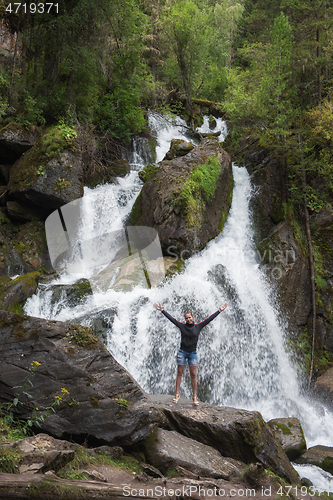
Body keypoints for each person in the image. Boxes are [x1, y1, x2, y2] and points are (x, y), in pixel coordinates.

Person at [153, 302, 228, 406]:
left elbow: (209, 319)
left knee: (193, 374)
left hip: (192, 353)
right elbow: (172, 319)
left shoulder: (198, 326)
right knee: (179, 372)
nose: (188, 319)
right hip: (182, 353)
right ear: (185, 319)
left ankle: (194, 396)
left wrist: (219, 311)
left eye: (190, 317)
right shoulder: (182, 326)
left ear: (192, 317)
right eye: (186, 318)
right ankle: (177, 394)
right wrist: (162, 310)